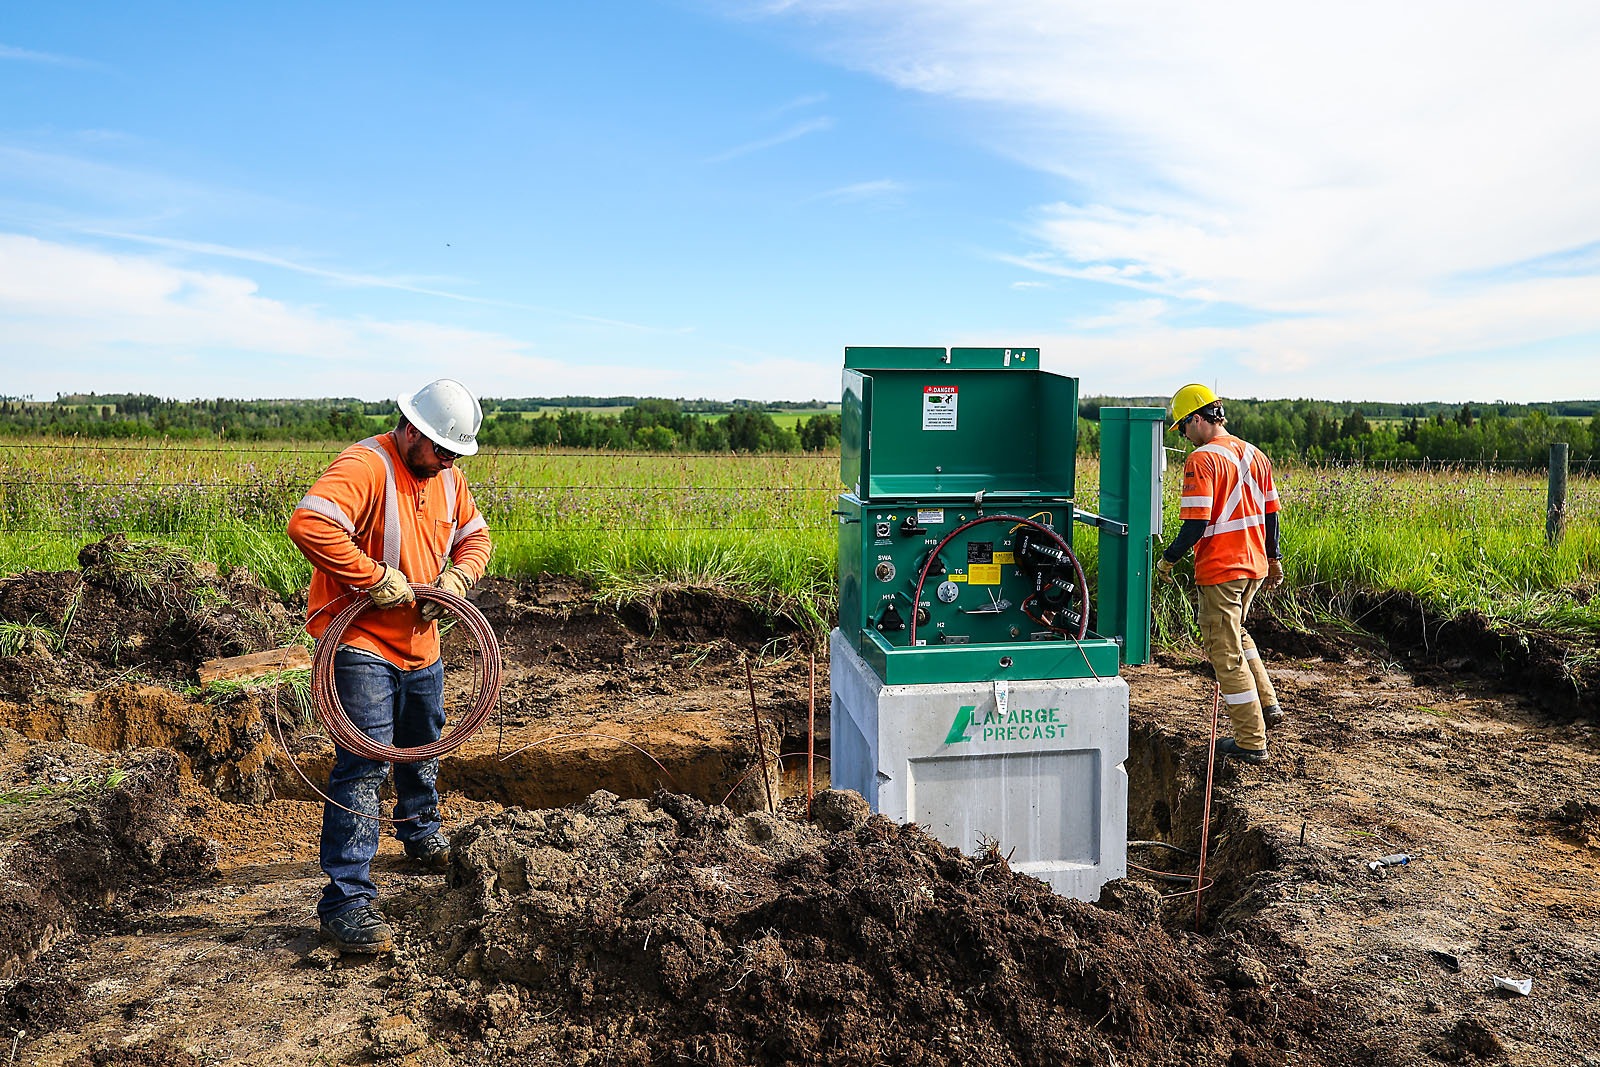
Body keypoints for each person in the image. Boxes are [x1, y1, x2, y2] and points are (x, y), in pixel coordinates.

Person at [287, 379, 492, 953]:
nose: (449, 459)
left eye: (455, 452)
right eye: (441, 449)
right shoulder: (365, 464)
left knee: (422, 743)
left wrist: (455, 579)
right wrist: (373, 578)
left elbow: (476, 538)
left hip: (421, 645)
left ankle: (420, 834)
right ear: (411, 430)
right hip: (360, 643)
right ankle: (346, 903)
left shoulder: (449, 477)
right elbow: (310, 523)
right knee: (366, 764)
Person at [1155, 384, 1284, 765]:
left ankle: (1250, 740)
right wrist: (1273, 559)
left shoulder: (1202, 460)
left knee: (1223, 651)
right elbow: (1271, 515)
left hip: (1222, 570)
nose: (1183, 435)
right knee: (1237, 632)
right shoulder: (1255, 455)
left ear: (1198, 420)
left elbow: (1196, 522)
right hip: (1254, 565)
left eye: (1182, 427)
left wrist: (1168, 560)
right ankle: (1267, 704)